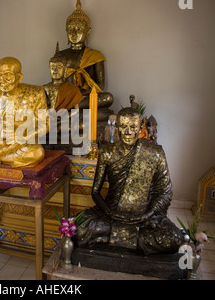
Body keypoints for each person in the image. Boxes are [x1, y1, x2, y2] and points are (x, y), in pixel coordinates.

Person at [74, 107, 184, 255]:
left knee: (174, 238)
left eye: (133, 127)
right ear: (117, 127)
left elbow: (164, 192)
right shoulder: (107, 152)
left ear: (140, 128)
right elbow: (95, 192)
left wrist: (147, 214)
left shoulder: (155, 153)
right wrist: (109, 212)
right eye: (123, 126)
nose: (127, 132)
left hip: (144, 217)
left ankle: (113, 238)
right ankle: (133, 239)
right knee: (77, 227)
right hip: (112, 215)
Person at [58, 0, 113, 110]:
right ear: (66, 30)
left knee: (108, 98)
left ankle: (73, 107)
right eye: (70, 29)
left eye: (78, 29)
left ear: (87, 32)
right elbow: (56, 83)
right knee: (47, 97)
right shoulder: (60, 55)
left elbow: (100, 85)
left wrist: (82, 94)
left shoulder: (95, 56)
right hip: (66, 97)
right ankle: (73, 107)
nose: (74, 33)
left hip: (86, 97)